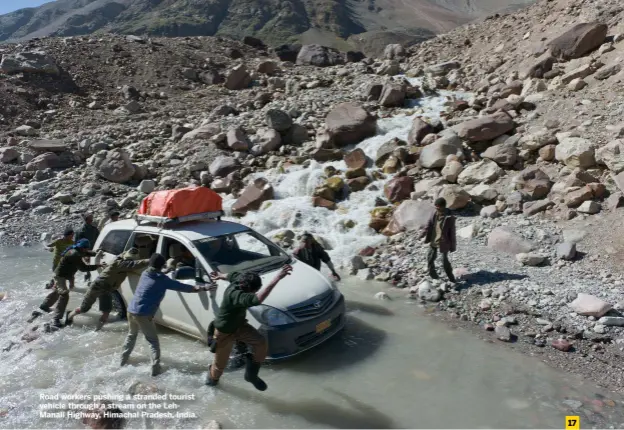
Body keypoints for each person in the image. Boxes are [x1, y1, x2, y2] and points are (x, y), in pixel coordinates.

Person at [120, 253, 213, 376]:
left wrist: (167, 269)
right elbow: (185, 288)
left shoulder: (145, 273)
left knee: (131, 336)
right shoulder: (163, 280)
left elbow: (158, 274)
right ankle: (155, 371)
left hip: (131, 310)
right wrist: (205, 287)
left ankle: (122, 362)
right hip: (143, 314)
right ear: (161, 266)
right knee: (153, 342)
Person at [205, 265, 292, 390]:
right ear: (248, 289)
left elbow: (229, 275)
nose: (255, 292)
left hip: (240, 326)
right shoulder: (236, 295)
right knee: (220, 367)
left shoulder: (241, 277)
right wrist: (277, 277)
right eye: (254, 291)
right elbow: (258, 298)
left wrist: (220, 275)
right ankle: (212, 382)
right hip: (225, 331)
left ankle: (251, 374)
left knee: (261, 342)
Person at [65, 248, 151, 330]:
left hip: (107, 289)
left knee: (106, 312)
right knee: (84, 308)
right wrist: (152, 260)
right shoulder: (120, 263)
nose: (129, 260)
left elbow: (130, 259)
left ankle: (97, 330)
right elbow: (135, 264)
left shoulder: (122, 257)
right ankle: (69, 316)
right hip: (97, 286)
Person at [29, 239, 104, 328]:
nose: (87, 250)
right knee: (64, 294)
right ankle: (56, 319)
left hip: (65, 274)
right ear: (83, 248)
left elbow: (87, 253)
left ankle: (44, 306)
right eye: (86, 248)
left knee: (58, 291)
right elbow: (83, 268)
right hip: (60, 276)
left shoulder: (78, 250)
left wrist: (95, 253)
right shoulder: (74, 254)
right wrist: (97, 265)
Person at [419, 197, 457, 282]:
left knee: (444, 261)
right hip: (434, 240)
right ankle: (434, 276)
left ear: (443, 206)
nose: (436, 208)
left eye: (438, 206)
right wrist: (422, 234)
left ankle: (451, 279)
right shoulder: (434, 213)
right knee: (430, 258)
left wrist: (453, 246)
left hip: (444, 242)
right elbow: (428, 225)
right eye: (435, 206)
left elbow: (452, 233)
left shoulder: (449, 217)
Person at [76, 213, 100, 282]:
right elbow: (77, 244)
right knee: (88, 267)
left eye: (92, 220)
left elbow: (99, 239)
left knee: (94, 265)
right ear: (86, 220)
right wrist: (83, 255)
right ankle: (88, 280)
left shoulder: (94, 229)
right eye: (90, 220)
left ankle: (91, 279)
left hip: (94, 250)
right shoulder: (80, 231)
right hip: (85, 252)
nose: (92, 221)